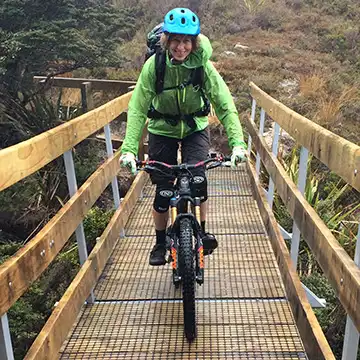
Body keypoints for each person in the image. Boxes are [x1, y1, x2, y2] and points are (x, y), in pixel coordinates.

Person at [120, 8, 247, 266]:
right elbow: (137, 108)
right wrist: (129, 149)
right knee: (164, 191)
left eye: (186, 41)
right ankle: (159, 242)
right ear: (166, 41)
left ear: (194, 43)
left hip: (194, 128)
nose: (181, 47)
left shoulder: (203, 67)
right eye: (175, 41)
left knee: (199, 180)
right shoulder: (153, 66)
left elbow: (224, 104)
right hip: (161, 130)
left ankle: (201, 230)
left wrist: (238, 144)